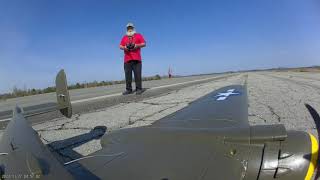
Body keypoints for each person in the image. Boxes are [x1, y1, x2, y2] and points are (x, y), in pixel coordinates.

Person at [119, 23, 146, 95]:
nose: (129, 29)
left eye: (131, 28)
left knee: (137, 74)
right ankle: (129, 89)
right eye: (128, 28)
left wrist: (137, 45)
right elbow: (120, 46)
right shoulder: (124, 37)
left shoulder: (138, 35)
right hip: (127, 59)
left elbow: (144, 43)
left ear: (133, 28)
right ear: (127, 29)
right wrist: (125, 47)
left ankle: (139, 89)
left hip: (137, 58)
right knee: (128, 75)